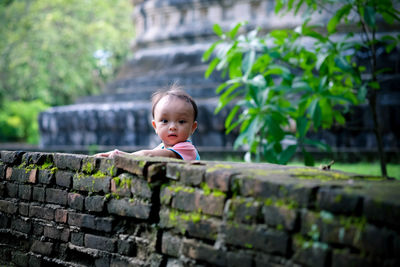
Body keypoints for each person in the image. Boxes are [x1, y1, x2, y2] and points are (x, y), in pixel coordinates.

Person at [95, 85, 200, 160]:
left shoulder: (187, 149)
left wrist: (121, 155)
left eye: (181, 122)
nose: (172, 127)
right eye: (165, 121)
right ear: (155, 126)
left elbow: (148, 155)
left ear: (193, 127)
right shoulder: (161, 148)